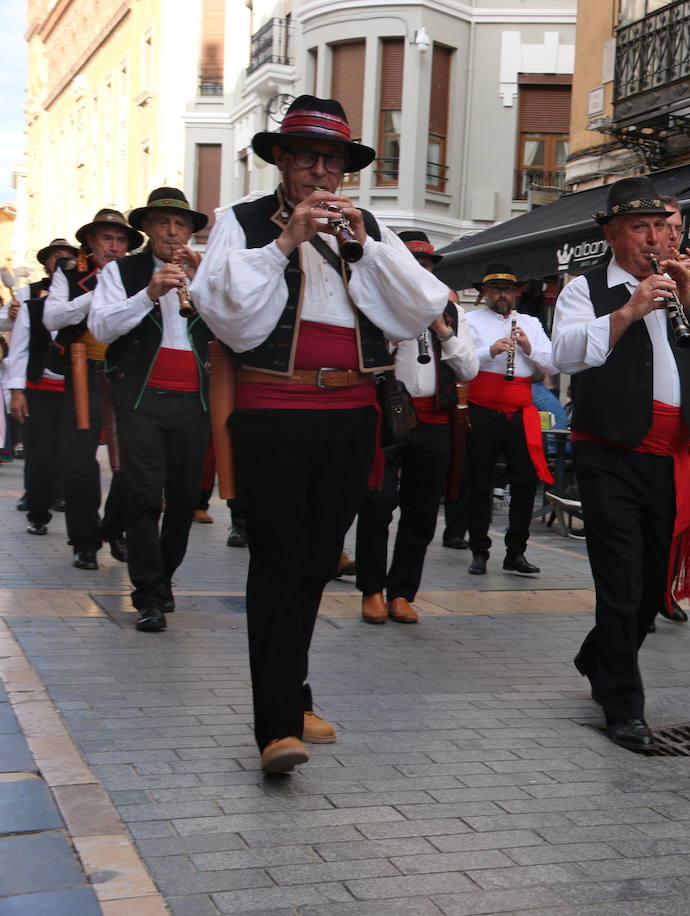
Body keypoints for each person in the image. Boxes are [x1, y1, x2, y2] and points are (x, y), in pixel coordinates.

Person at [192, 95, 449, 774]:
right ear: (281, 159)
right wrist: (286, 242)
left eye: (332, 159)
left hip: (349, 416)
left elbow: (421, 307)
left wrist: (363, 248)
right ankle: (276, 727)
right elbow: (228, 318)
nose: (320, 171)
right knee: (277, 560)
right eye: (306, 155)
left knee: (314, 562)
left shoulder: (369, 230)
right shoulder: (241, 222)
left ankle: (295, 694)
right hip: (274, 410)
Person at [551, 176, 690, 750]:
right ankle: (624, 707)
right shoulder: (584, 290)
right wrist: (630, 310)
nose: (655, 239)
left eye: (662, 227)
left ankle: (597, 656)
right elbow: (564, 353)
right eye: (641, 227)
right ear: (612, 234)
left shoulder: (682, 287)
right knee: (620, 583)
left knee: (652, 587)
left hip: (670, 457)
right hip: (607, 452)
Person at [90, 189, 213, 633]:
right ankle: (148, 593)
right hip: (141, 400)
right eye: (164, 223)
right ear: (148, 228)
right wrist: (147, 294)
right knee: (144, 495)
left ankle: (164, 579)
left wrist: (205, 285)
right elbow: (101, 326)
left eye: (181, 225)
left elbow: (237, 327)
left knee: (183, 499)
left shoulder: (205, 273)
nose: (173, 232)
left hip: (194, 401)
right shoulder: (123, 271)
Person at [356, 231, 477, 624]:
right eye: (414, 266)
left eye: (426, 267)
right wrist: (395, 331)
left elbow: (469, 370)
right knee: (377, 505)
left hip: (436, 421)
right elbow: (361, 362)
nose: (422, 273)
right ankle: (371, 589)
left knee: (421, 512)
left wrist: (443, 331)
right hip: (386, 418)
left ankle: (402, 592)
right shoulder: (375, 305)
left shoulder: (452, 312)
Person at [43, 209, 141, 570]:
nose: (114, 247)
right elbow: (52, 319)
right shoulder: (69, 275)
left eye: (120, 241)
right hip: (83, 371)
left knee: (131, 458)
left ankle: (114, 529)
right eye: (107, 239)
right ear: (90, 242)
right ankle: (84, 541)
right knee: (80, 461)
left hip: (128, 372)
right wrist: (98, 293)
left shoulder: (138, 274)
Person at [463, 264, 557, 577]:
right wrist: (490, 350)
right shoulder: (470, 319)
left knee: (526, 481)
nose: (502, 294)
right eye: (495, 289)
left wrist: (528, 347)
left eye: (508, 289)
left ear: (516, 292)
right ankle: (479, 548)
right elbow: (459, 362)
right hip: (483, 408)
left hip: (521, 410)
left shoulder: (529, 322)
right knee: (479, 480)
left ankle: (516, 552)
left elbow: (552, 365)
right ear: (484, 293)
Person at [6, 240, 74, 536]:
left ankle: (65, 499)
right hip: (40, 384)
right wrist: (16, 390)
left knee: (72, 452)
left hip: (76, 386)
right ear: (46, 262)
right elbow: (18, 343)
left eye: (67, 257)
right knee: (39, 452)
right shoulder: (29, 294)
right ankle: (37, 508)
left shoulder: (86, 289)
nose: (61, 261)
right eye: (56, 257)